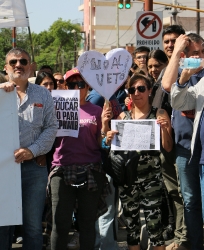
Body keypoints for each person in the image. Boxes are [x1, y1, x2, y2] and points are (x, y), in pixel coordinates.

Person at [103, 73, 173, 250]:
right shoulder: (122, 118)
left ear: (149, 90)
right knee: (132, 230)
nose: (136, 93)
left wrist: (165, 129)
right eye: (132, 89)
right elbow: (108, 144)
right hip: (127, 181)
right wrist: (108, 135)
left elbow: (169, 147)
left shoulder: (159, 113)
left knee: (155, 228)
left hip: (151, 180)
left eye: (141, 88)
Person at [0, 47, 57, 250]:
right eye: (13, 62)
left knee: (32, 227)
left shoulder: (43, 94)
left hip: (34, 168)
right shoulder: (0, 94)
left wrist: (33, 150)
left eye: (23, 61)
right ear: (6, 68)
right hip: (3, 171)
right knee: (3, 226)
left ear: (30, 67)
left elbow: (51, 127)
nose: (18, 65)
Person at [50, 68, 112, 250]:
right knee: (60, 223)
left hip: (91, 170)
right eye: (71, 84)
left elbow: (101, 142)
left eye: (81, 84)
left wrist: (105, 125)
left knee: (86, 223)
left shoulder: (96, 110)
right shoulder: (56, 107)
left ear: (88, 87)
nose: (77, 88)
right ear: (65, 87)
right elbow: (48, 135)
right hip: (62, 168)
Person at [162, 31, 204, 250]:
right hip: (184, 148)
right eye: (191, 54)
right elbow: (168, 86)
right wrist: (177, 52)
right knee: (190, 203)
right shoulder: (179, 69)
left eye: (200, 53)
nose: (197, 58)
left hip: (203, 147)